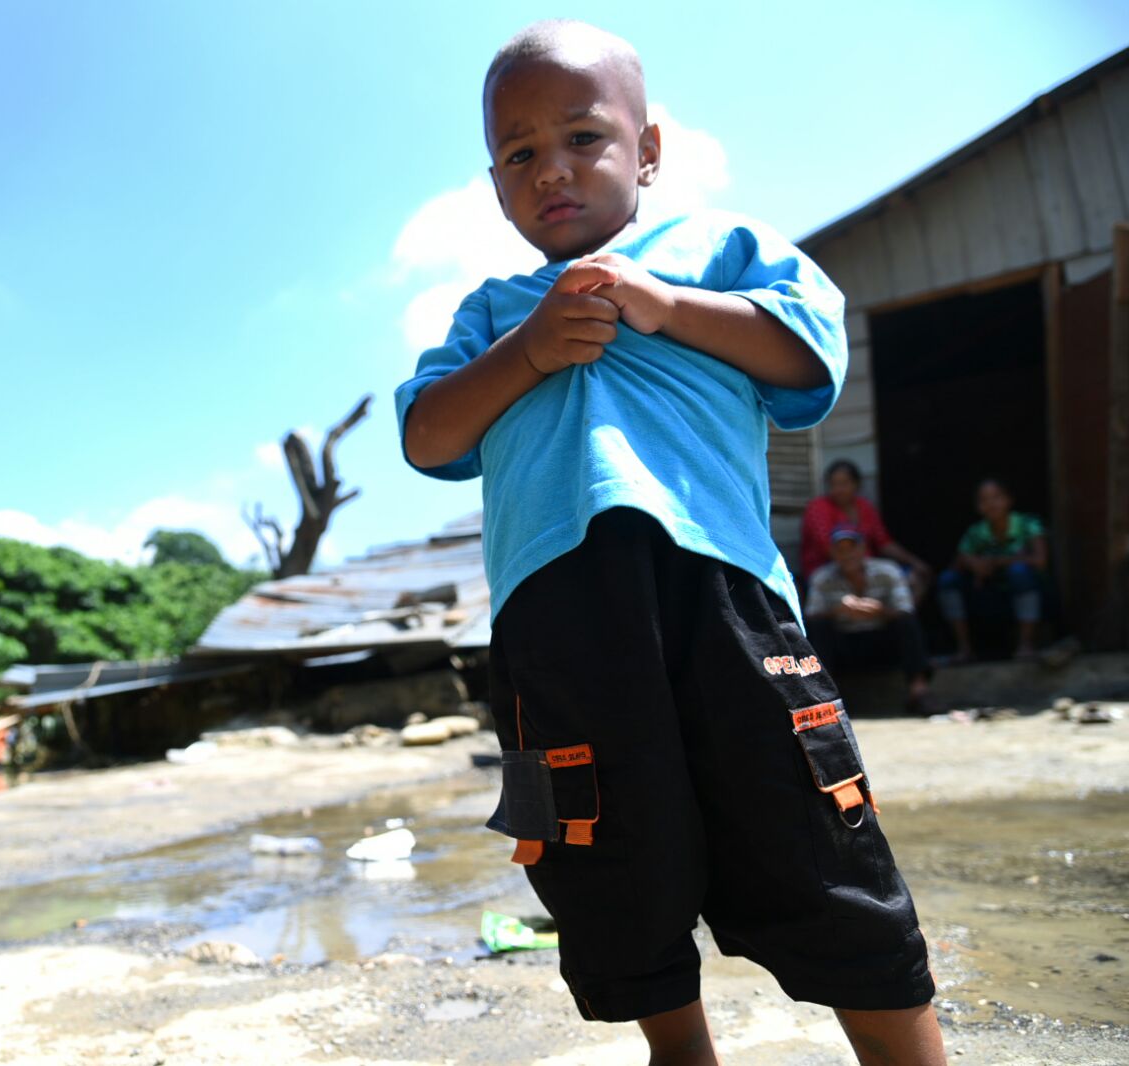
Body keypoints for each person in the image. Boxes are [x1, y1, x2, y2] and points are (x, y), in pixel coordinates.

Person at [395, 21, 943, 1065]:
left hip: (723, 594)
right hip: (553, 622)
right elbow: (428, 436)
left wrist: (665, 306)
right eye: (518, 153)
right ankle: (679, 1050)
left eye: (583, 138)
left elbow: (807, 356)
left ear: (646, 151)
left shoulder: (720, 253)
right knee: (604, 854)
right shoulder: (491, 315)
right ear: (496, 185)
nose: (551, 169)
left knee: (813, 835)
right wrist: (528, 351)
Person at [806, 528, 933, 712]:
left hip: (883, 642)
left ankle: (919, 690)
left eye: (852, 548)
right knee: (818, 627)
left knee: (908, 623)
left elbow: (906, 609)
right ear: (832, 553)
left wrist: (881, 611)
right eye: (841, 550)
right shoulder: (821, 577)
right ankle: (823, 698)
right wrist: (838, 611)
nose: (847, 555)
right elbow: (810, 615)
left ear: (863, 549)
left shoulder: (887, 571)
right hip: (845, 647)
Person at [939, 479, 1048, 661]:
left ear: (1009, 500)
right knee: (948, 579)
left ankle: (1026, 644)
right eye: (984, 500)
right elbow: (958, 562)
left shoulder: (1027, 524)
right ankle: (964, 648)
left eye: (997, 497)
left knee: (1019, 572)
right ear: (978, 507)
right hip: (991, 596)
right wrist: (973, 563)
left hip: (1030, 593)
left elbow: (1041, 561)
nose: (991, 504)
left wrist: (997, 562)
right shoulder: (976, 532)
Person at [800, 460, 932, 598]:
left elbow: (884, 542)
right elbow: (829, 549)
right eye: (833, 484)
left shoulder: (864, 506)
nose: (838, 490)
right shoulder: (818, 508)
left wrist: (913, 562)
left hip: (866, 569)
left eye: (844, 484)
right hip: (829, 570)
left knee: (915, 578)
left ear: (856, 484)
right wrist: (857, 570)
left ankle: (894, 612)